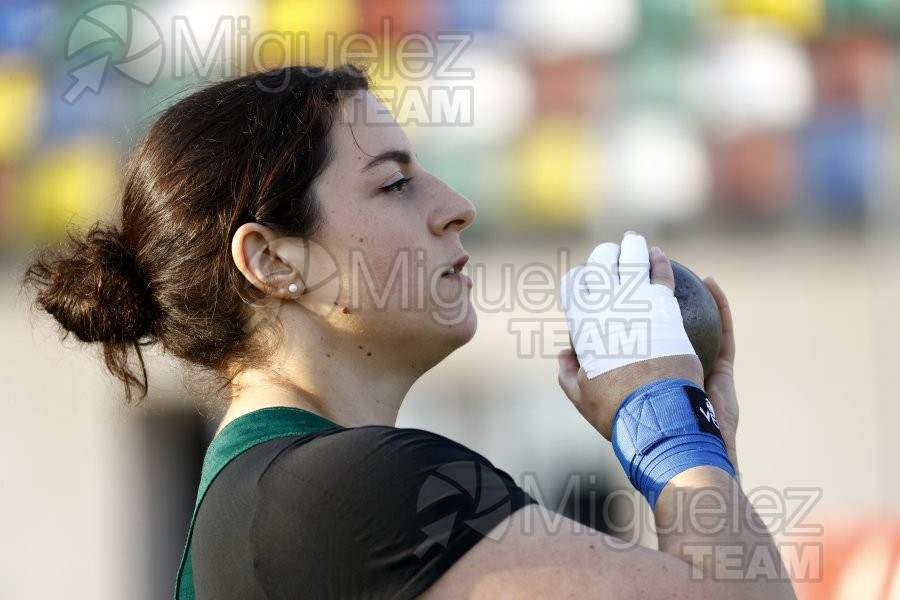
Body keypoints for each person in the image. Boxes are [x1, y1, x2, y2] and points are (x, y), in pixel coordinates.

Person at [22, 64, 796, 599]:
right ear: (272, 260)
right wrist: (665, 417)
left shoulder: (289, 489)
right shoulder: (345, 489)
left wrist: (697, 439)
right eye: (394, 183)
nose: (456, 204)